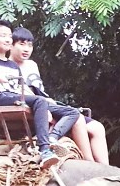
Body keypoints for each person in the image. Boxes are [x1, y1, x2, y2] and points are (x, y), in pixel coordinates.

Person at [10, 27, 109, 165]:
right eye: (21, 44)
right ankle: (89, 162)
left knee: (97, 127)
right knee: (77, 118)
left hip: (47, 103)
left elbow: (38, 90)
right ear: (11, 44)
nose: (26, 49)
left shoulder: (31, 65)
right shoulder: (7, 67)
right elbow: (15, 96)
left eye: (30, 45)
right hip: (36, 107)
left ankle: (106, 168)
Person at [0, 19, 59, 159]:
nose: (8, 40)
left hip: (14, 97)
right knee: (39, 102)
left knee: (42, 102)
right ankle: (44, 149)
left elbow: (22, 88)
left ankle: (47, 139)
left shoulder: (12, 65)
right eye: (3, 36)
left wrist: (45, 103)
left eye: (9, 36)